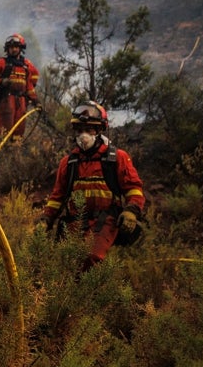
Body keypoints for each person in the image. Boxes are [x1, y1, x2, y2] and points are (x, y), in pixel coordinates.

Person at [39, 101, 145, 271]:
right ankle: (71, 295)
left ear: (99, 130)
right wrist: (46, 218)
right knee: (64, 263)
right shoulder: (69, 162)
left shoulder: (116, 158)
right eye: (80, 130)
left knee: (90, 257)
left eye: (89, 130)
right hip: (75, 221)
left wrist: (131, 211)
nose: (84, 135)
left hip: (104, 220)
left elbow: (133, 188)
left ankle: (91, 295)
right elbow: (57, 196)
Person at [0, 33, 40, 139]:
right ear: (7, 49)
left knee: (19, 131)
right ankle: (4, 151)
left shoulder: (26, 65)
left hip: (21, 102)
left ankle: (16, 152)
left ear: (20, 48)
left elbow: (29, 86)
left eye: (16, 47)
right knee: (5, 131)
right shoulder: (2, 62)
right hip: (6, 100)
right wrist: (1, 81)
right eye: (10, 47)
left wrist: (35, 100)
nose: (13, 49)